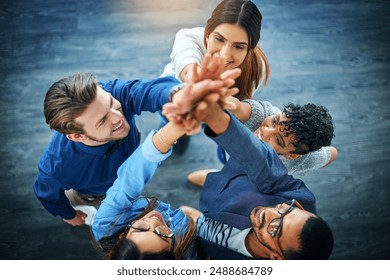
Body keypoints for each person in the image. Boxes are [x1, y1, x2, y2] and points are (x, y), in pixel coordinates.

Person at [32, 69, 233, 227]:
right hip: (97, 195)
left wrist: (177, 95)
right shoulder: (56, 167)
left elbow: (145, 91)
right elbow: (46, 193)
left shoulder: (106, 93)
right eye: (103, 121)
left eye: (112, 103)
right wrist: (70, 215)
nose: (118, 117)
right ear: (77, 135)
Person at [162, 85, 334, 260]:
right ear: (296, 206)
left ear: (276, 258)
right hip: (233, 179)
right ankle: (208, 190)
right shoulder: (300, 198)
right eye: (286, 210)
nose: (270, 211)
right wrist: (214, 115)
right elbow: (259, 160)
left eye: (275, 227)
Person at [92, 65, 240, 260]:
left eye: (142, 228)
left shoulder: (106, 224)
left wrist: (178, 125)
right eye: (162, 233)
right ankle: (218, 183)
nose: (155, 220)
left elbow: (131, 176)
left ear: (122, 235)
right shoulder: (188, 254)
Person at [160, 0, 270, 153]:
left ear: (250, 48)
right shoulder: (189, 38)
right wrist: (200, 86)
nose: (224, 54)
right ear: (208, 32)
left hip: (211, 116)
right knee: (169, 130)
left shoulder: (257, 69)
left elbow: (238, 115)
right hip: (170, 100)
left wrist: (226, 108)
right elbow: (188, 70)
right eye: (219, 39)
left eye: (238, 46)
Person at [187, 97, 338, 187]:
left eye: (278, 140)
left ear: (292, 156)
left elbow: (332, 154)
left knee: (233, 182)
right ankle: (219, 174)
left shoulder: (305, 160)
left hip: (251, 181)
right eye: (274, 121)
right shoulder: (262, 114)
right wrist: (218, 100)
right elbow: (238, 107)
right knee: (226, 165)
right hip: (232, 153)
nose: (266, 131)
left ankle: (220, 178)